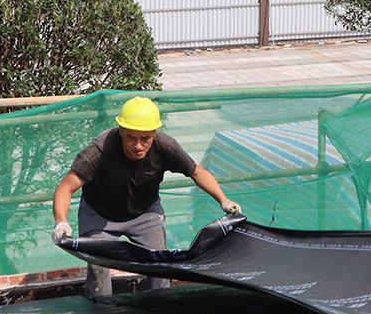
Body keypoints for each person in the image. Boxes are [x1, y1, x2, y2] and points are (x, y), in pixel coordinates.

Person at [52, 95, 240, 299]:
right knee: (98, 266)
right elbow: (65, 187)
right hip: (99, 213)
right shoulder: (100, 149)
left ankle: (159, 308)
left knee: (160, 264)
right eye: (131, 138)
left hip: (145, 213)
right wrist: (61, 222)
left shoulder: (166, 146)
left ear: (154, 133)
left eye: (145, 138)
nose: (138, 145)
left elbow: (197, 172)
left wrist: (223, 200)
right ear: (121, 131)